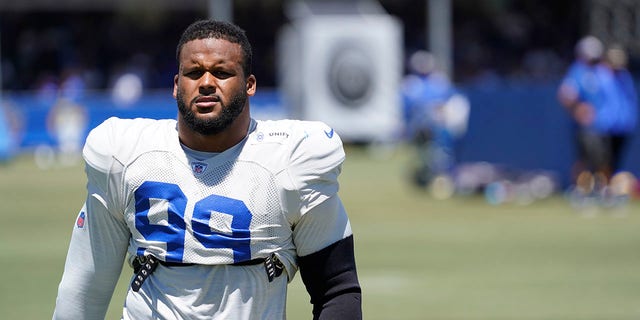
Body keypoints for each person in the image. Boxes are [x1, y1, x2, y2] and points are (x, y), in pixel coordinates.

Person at [53, 19, 362, 320]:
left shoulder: (293, 159)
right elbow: (83, 288)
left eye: (222, 72)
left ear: (249, 84)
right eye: (194, 72)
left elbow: (336, 289)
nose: (206, 83)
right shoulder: (123, 156)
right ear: (176, 85)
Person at [557, 36, 638, 194]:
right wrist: (577, 109)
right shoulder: (579, 70)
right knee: (591, 159)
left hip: (616, 126)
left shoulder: (611, 74)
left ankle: (604, 190)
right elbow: (566, 94)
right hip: (595, 125)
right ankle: (583, 190)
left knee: (609, 161)